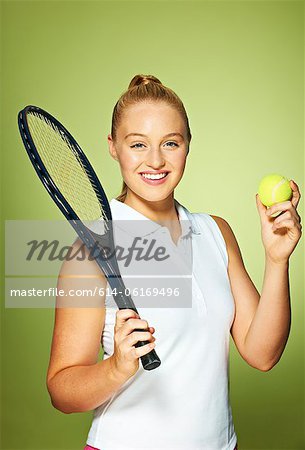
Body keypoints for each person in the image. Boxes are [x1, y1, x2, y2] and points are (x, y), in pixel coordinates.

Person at [46, 74, 302, 450]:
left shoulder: (216, 231)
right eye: (138, 144)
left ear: (187, 146)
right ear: (113, 147)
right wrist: (116, 368)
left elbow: (262, 353)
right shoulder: (91, 250)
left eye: (170, 143)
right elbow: (62, 392)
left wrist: (277, 260)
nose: (155, 161)